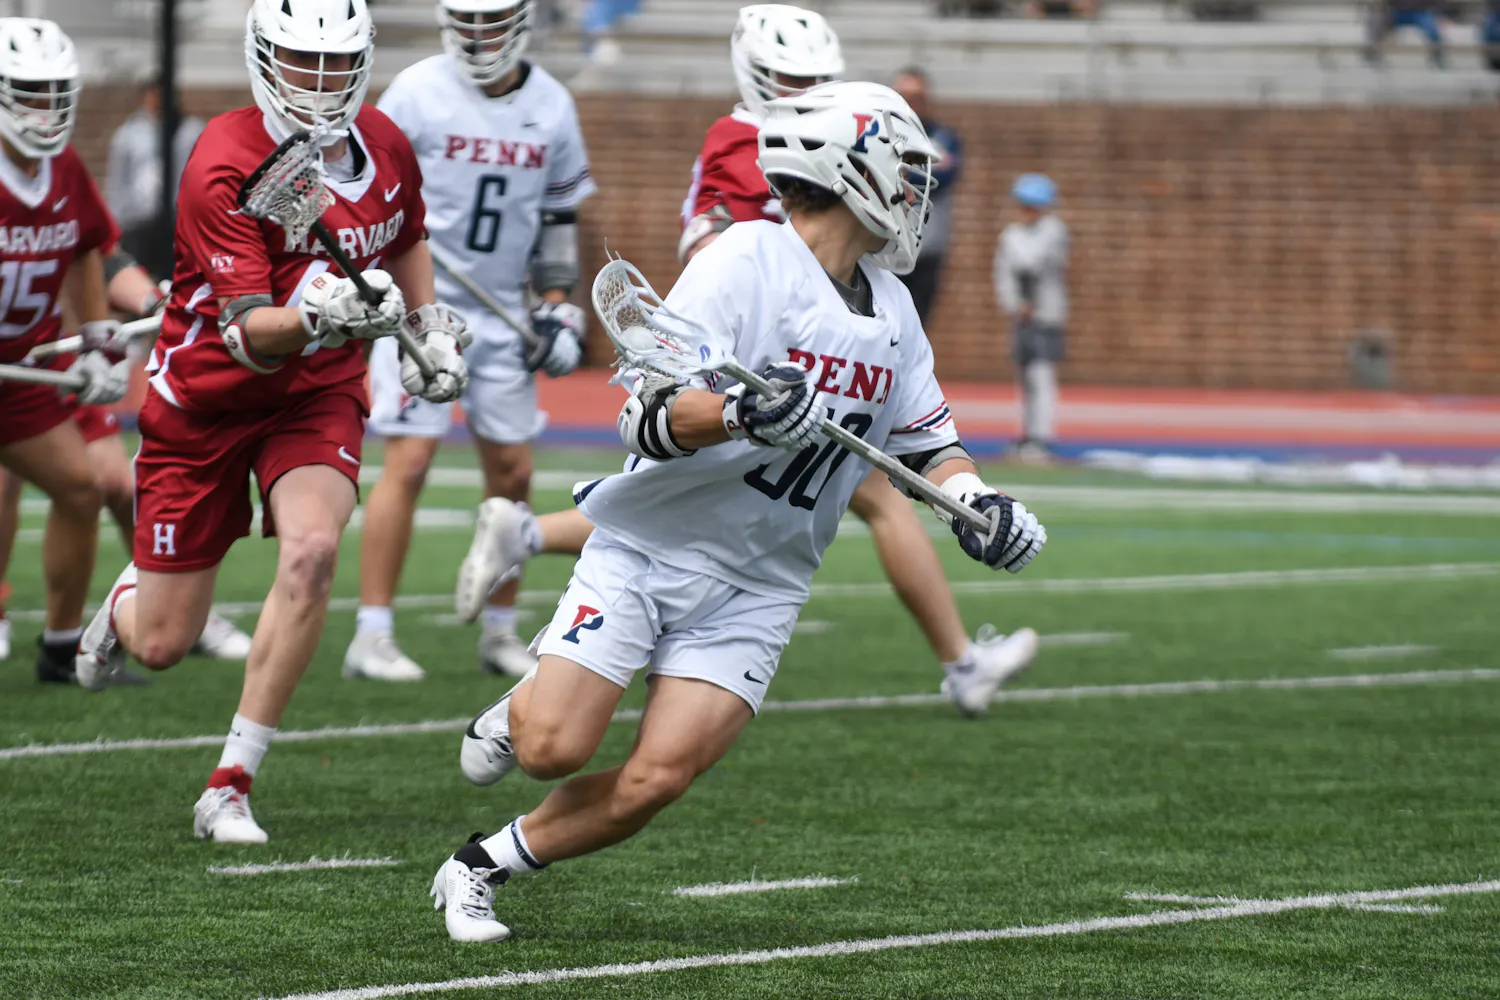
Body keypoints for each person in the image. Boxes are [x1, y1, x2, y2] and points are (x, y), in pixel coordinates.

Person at [430, 81, 1047, 942]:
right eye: (905, 170)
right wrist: (739, 413)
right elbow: (643, 417)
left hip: (763, 581)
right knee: (550, 750)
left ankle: (478, 866)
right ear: (850, 169)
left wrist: (978, 504)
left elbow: (925, 444)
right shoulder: (744, 262)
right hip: (652, 550)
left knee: (656, 781)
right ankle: (521, 707)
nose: (916, 191)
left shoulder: (894, 307)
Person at [456, 2, 1039, 715]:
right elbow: (719, 251)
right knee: (733, 500)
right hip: (765, 354)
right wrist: (748, 376)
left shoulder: (857, 239)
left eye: (816, 77)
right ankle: (960, 661)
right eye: (788, 76)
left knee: (752, 501)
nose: (803, 90)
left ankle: (529, 540)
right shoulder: (747, 163)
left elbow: (930, 438)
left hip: (804, 350)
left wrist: (974, 500)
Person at [74, 0, 469, 845]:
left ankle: (231, 783)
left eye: (335, 64)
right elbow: (249, 331)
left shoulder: (386, 144)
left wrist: (424, 330)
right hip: (210, 396)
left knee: (316, 549)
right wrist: (323, 313)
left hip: (317, 391)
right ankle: (126, 604)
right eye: (299, 61)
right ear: (263, 57)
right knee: (162, 645)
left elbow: (407, 238)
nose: (319, 82)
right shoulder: (225, 156)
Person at [347, 0, 595, 683]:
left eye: (491, 20)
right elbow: (371, 196)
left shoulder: (551, 104)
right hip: (420, 306)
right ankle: (372, 632)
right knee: (412, 459)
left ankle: (500, 628)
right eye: (466, 20)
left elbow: (557, 217)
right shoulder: (418, 91)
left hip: (501, 311)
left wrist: (557, 304)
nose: (478, 34)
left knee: (513, 471)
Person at [0, 253, 255, 676]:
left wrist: (158, 305)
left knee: (115, 487)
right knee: (8, 478)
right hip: (20, 360)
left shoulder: (69, 193)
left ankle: (168, 607)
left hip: (67, 360)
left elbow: (101, 256)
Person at [0, 17, 136, 685]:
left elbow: (88, 247)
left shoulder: (63, 166)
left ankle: (59, 648)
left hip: (22, 371)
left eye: (55, 92)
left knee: (82, 489)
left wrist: (99, 338)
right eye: (27, 92)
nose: (43, 108)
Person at [995, 173, 1068, 463]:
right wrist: (1014, 305)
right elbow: (1003, 276)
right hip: (1023, 317)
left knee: (1042, 375)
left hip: (1046, 315)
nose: (1028, 211)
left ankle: (1042, 435)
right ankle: (1028, 433)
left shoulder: (1053, 230)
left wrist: (1010, 242)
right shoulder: (1012, 234)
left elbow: (1030, 261)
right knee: (1025, 376)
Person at [104, 76, 205, 280]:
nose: (157, 102)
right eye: (153, 96)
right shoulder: (129, 134)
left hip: (178, 219)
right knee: (138, 276)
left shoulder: (190, 130)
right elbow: (118, 179)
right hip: (137, 219)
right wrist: (116, 221)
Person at [891, 66, 961, 326]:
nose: (911, 105)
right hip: (887, 242)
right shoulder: (884, 134)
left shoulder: (943, 137)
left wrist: (902, 172)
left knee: (918, 320)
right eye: (905, 97)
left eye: (917, 97)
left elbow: (943, 178)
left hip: (928, 244)